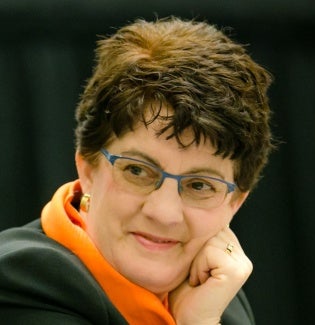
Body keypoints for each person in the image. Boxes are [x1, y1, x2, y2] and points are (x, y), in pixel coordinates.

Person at [0, 16, 274, 324]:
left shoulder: (219, 293)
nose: (164, 212)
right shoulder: (24, 281)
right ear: (88, 168)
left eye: (199, 186)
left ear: (234, 203)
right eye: (138, 171)